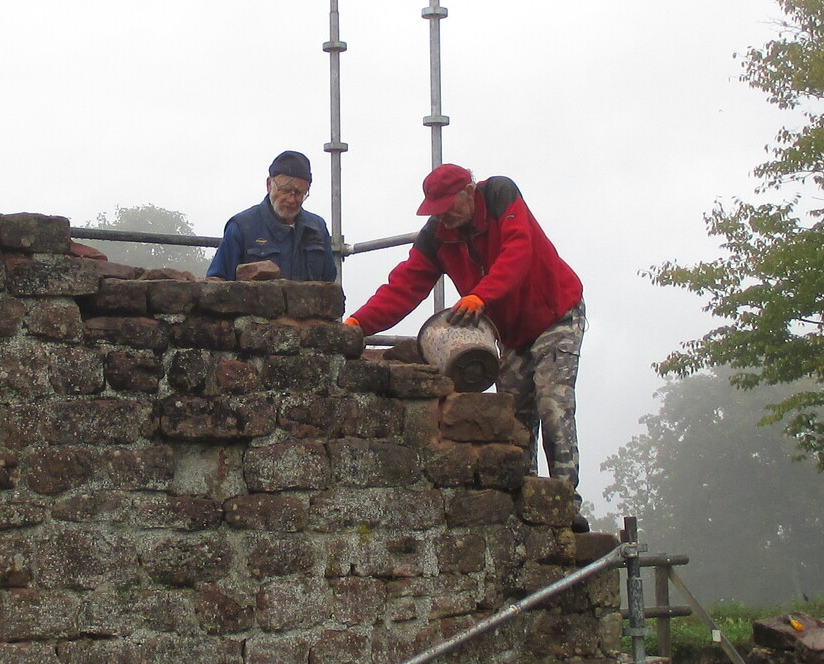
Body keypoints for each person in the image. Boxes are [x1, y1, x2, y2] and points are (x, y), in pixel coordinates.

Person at [344, 163, 587, 496]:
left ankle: (565, 498)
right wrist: (358, 324)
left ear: (469, 192)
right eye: (436, 210)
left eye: (448, 206)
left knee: (552, 404)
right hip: (513, 336)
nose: (443, 216)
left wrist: (481, 296)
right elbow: (404, 287)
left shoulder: (500, 195)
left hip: (556, 314)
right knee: (514, 418)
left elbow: (518, 250)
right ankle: (527, 499)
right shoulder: (437, 236)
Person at [207, 150, 337, 282]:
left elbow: (330, 286)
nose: (291, 199)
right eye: (285, 190)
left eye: (299, 193)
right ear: (269, 184)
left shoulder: (318, 229)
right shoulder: (241, 227)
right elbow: (216, 283)